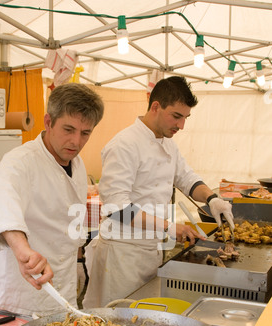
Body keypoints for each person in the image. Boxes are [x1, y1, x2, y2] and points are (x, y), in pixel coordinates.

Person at [83, 76, 234, 308]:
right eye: (176, 116)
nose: (181, 125)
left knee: (141, 320)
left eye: (185, 118)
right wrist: (169, 227)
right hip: (121, 255)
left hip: (151, 250)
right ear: (155, 107)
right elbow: (116, 207)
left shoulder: (168, 143)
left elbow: (187, 178)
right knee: (116, 321)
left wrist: (212, 199)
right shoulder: (124, 145)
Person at [0, 83, 104, 316]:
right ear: (48, 122)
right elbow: (1, 201)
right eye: (68, 129)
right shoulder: (20, 161)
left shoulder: (77, 164)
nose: (76, 142)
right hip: (20, 295)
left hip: (62, 287)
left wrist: (79, 261)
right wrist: (23, 251)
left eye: (85, 133)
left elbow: (72, 218)